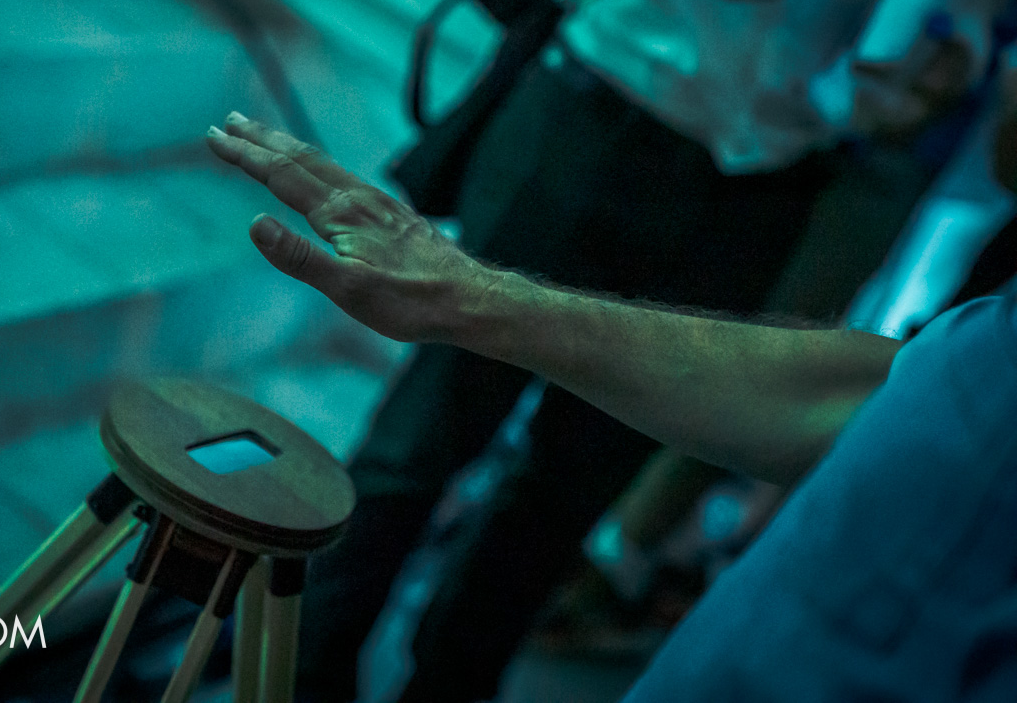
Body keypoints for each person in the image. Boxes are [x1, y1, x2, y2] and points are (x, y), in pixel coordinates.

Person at [284, 0, 1014, 699]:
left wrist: (940, 59)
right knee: (426, 436)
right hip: (605, 102)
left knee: (566, 497)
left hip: (767, 173)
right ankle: (302, 678)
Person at [203, 113, 1017, 702]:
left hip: (770, 164)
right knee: (417, 450)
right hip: (619, 103)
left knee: (553, 504)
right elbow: (895, 395)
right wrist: (469, 298)